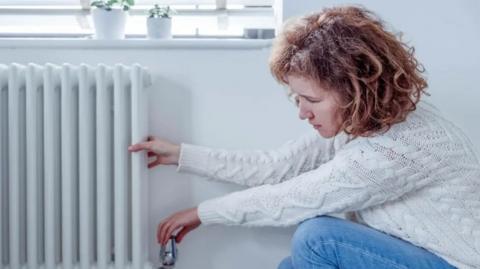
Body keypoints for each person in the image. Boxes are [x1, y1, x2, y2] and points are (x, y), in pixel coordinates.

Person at [128, 5, 480, 269]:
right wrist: (180, 154)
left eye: (311, 100)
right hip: (413, 256)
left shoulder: (399, 147)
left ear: (355, 91)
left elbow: (294, 198)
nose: (302, 113)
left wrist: (201, 213)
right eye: (297, 99)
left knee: (318, 238)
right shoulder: (359, 124)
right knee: (292, 265)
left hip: (452, 264)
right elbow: (275, 168)